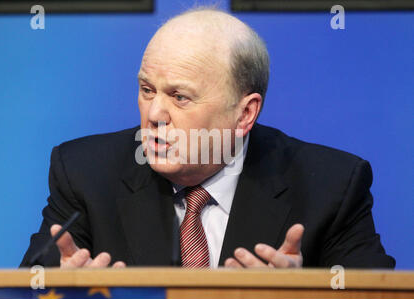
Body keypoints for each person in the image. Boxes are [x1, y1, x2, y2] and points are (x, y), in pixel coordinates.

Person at [20, 8, 395, 269]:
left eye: (180, 97)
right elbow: (26, 287)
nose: (154, 115)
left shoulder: (330, 186)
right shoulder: (85, 174)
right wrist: (59, 291)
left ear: (245, 113)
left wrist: (299, 295)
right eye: (147, 90)